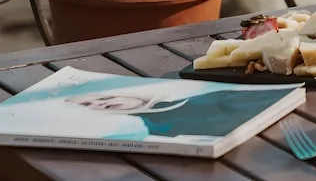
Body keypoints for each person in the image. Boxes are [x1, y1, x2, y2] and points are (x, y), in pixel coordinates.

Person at [65, 87, 285, 139]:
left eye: (103, 98)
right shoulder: (158, 129)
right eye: (91, 105)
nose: (102, 104)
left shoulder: (195, 94)